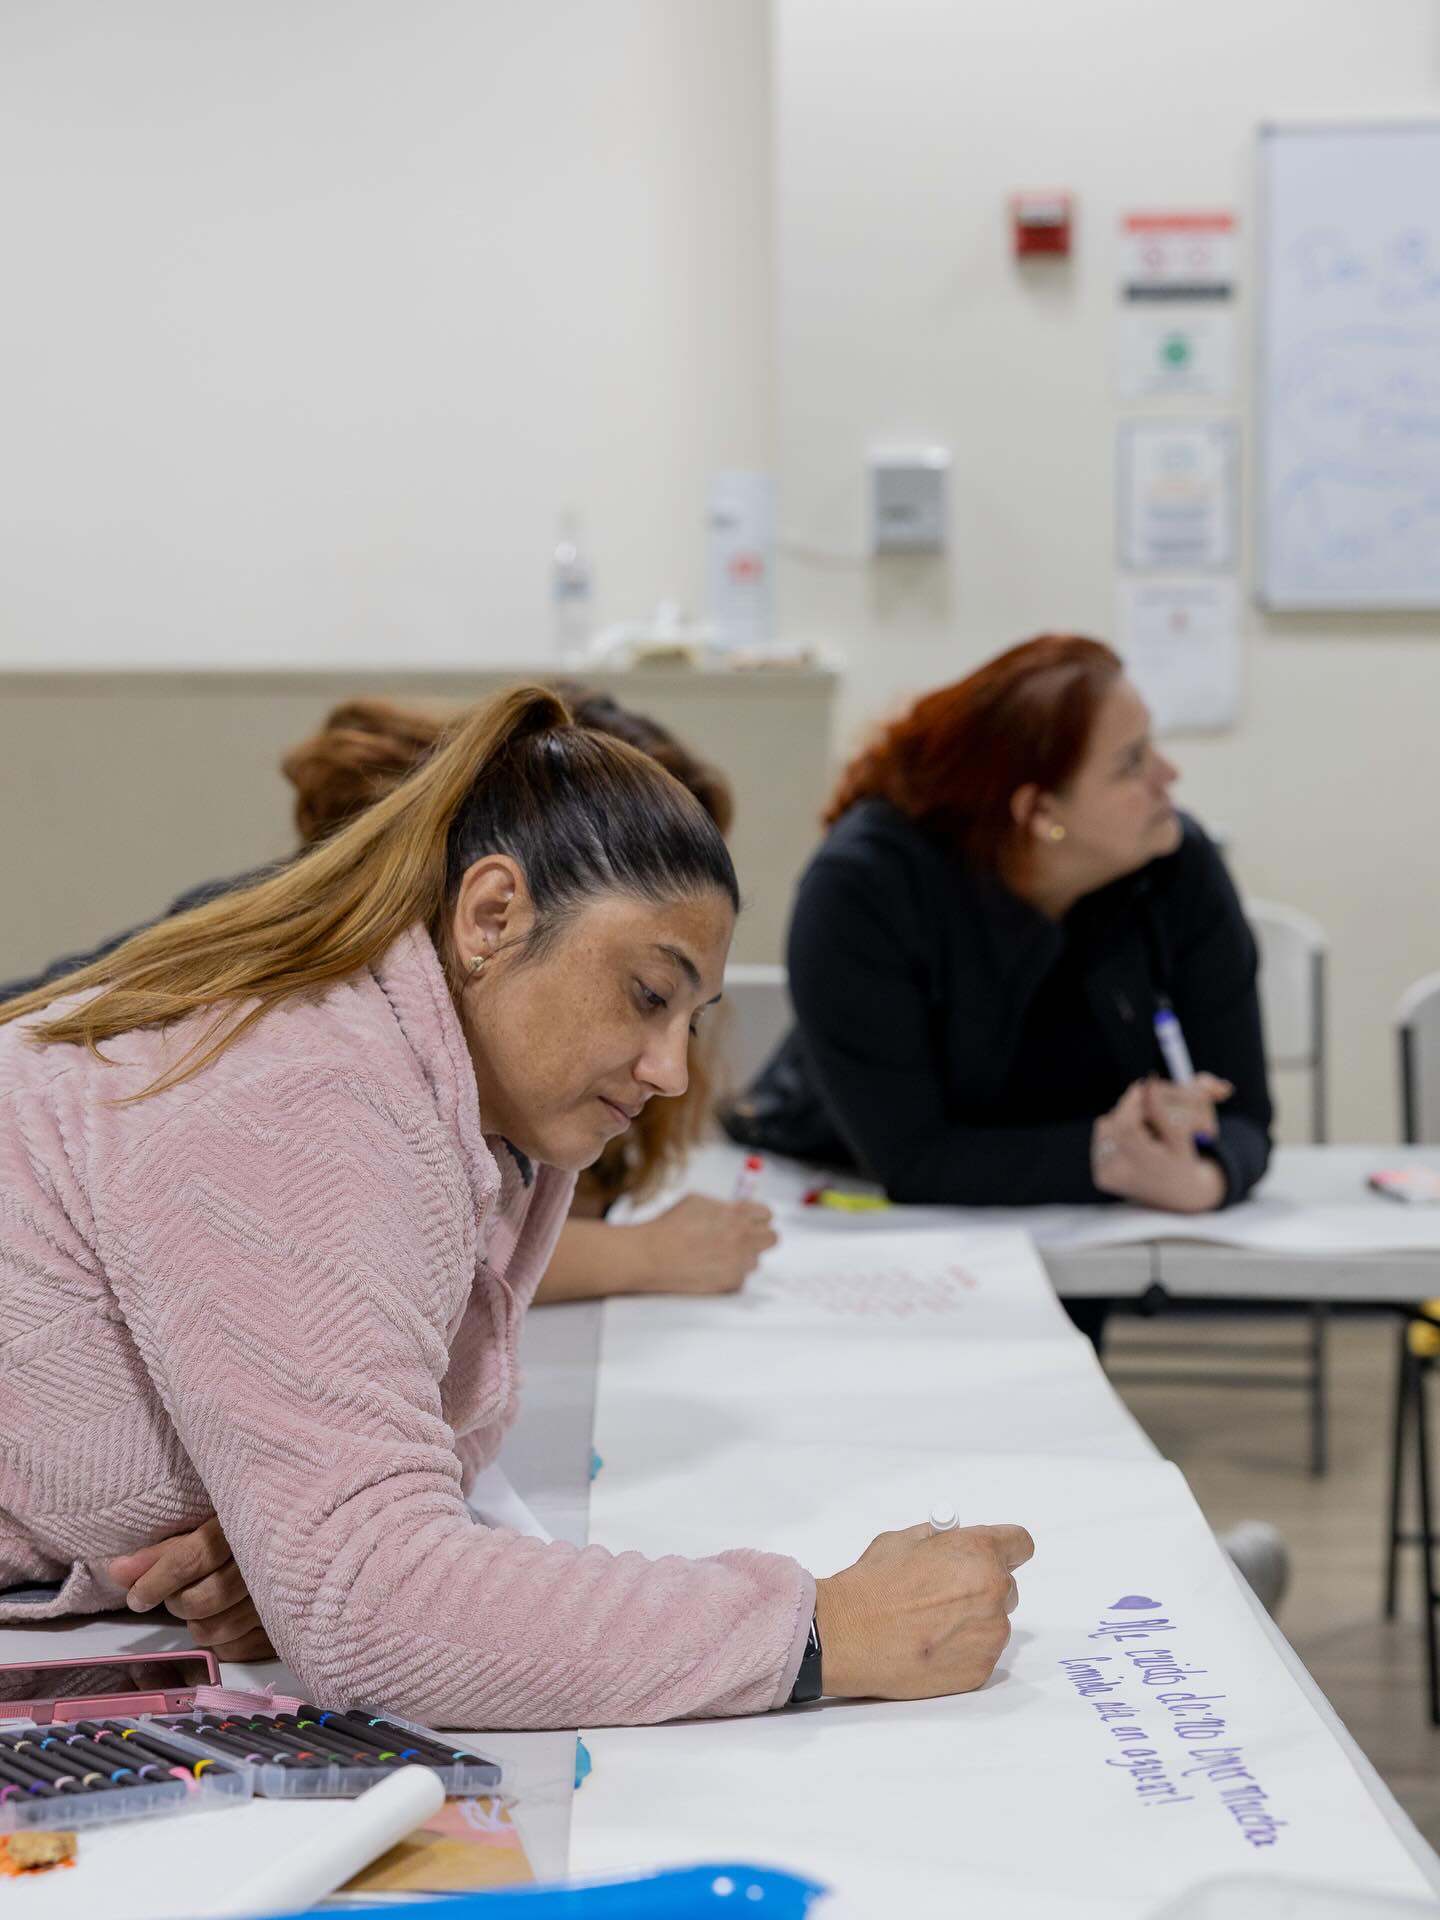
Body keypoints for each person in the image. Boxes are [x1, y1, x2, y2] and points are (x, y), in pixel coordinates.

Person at [0, 686, 1032, 1727]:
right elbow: (375, 1611)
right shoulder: (306, 1090)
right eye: (646, 994)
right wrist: (818, 1629)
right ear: (492, 916)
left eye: (691, 1019)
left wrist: (287, 1529)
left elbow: (360, 1546)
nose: (672, 1070)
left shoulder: (444, 1096)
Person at [724, 633, 1272, 1224]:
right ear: (1040, 813)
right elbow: (910, 1158)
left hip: (1085, 1223)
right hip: (859, 1211)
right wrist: (1107, 1155)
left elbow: (1244, 1115)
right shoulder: (862, 889)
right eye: (1131, 763)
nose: (1170, 773)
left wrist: (1206, 1178)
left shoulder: (1173, 862)